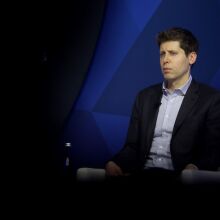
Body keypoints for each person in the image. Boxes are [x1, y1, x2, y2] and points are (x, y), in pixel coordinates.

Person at [105, 27, 220, 184]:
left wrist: (194, 167)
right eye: (162, 54)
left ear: (191, 57)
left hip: (179, 179)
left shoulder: (211, 99)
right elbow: (132, 147)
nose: (165, 59)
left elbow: (212, 151)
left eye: (173, 53)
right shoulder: (144, 97)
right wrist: (115, 162)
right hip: (142, 176)